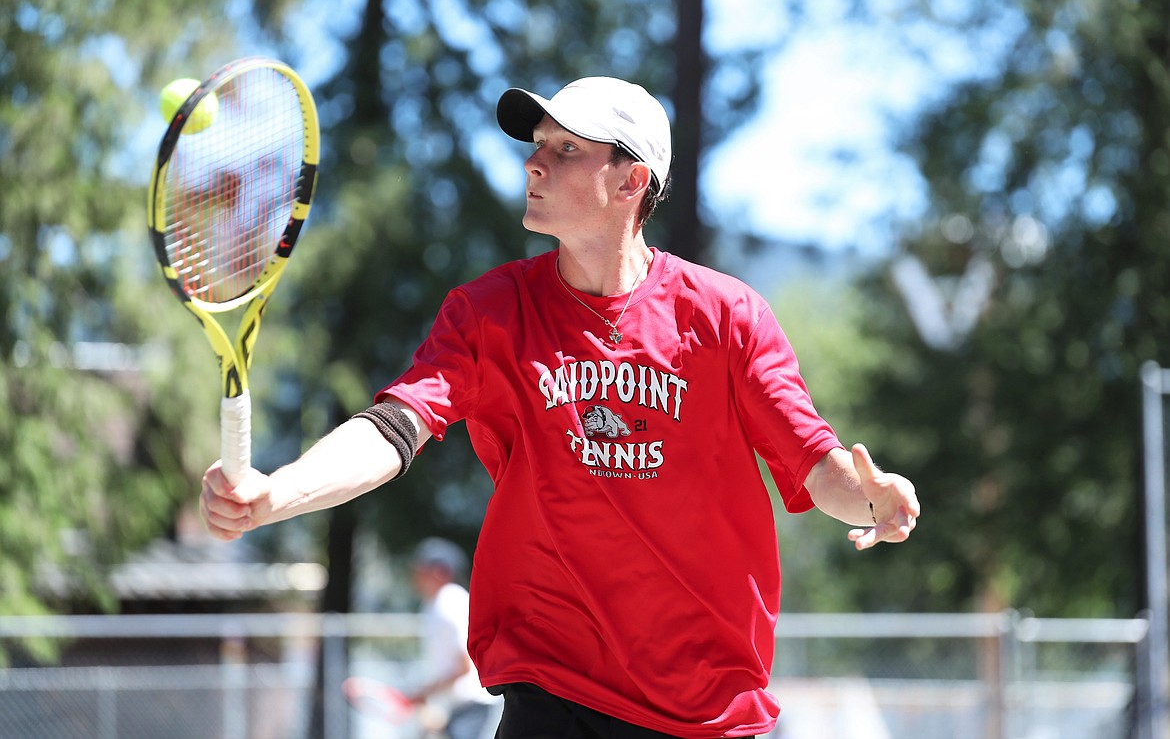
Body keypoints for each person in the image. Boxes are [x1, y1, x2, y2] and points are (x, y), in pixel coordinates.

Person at [200, 76, 921, 739]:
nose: (534, 164)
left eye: (566, 148)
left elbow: (815, 462)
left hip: (708, 708)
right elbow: (396, 426)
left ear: (632, 180)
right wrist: (277, 493)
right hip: (552, 691)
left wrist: (872, 499)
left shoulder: (728, 317)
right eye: (536, 146)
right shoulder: (491, 312)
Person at [408, 538, 499, 739]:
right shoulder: (435, 604)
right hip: (459, 705)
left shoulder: (449, 602)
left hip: (470, 704)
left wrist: (427, 692)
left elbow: (464, 665)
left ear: (440, 572)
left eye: (421, 568)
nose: (415, 574)